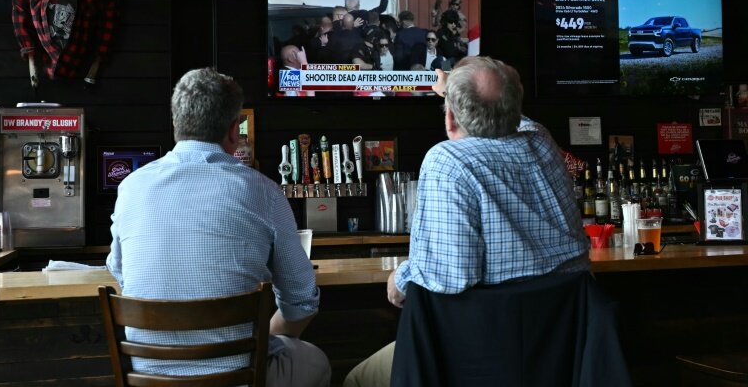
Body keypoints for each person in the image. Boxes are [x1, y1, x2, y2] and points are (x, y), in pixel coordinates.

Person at [343, 57, 589, 387]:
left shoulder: (448, 159)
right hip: (557, 354)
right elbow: (519, 121)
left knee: (358, 379)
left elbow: (451, 274)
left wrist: (401, 279)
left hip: (477, 353)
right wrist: (453, 93)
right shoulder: (541, 141)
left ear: (449, 119)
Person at [107, 68, 331, 387]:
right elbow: (302, 300)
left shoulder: (131, 187)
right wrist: (261, 342)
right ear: (233, 132)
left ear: (175, 125)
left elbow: (121, 273)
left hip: (149, 379)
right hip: (238, 379)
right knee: (315, 361)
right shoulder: (263, 191)